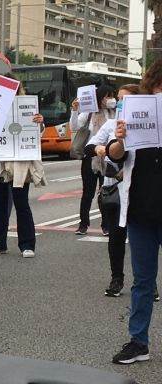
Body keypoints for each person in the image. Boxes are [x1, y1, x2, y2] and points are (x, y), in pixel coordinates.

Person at [109, 59, 162, 365]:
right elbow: (116, 155)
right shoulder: (133, 115)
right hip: (141, 212)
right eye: (156, 91)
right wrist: (121, 136)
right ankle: (138, 341)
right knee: (142, 282)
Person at [85, 84, 140, 297]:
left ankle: (147, 281)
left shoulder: (148, 125)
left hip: (140, 189)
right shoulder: (109, 124)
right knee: (116, 237)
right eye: (117, 98)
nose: (118, 102)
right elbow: (90, 147)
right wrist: (103, 149)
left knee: (142, 239)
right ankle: (117, 278)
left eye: (124, 99)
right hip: (114, 189)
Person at [0, 75, 46, 258]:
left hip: (19, 159)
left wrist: (39, 122)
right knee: (0, 202)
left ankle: (27, 244)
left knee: (21, 201)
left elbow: (37, 132)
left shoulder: (25, 107)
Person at [71, 84, 116, 236]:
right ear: (100, 98)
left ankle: (106, 225)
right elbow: (74, 126)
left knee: (107, 193)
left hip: (109, 158)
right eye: (108, 96)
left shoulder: (114, 113)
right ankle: (83, 224)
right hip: (90, 157)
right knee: (88, 193)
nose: (111, 99)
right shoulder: (89, 113)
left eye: (112, 96)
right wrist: (75, 110)